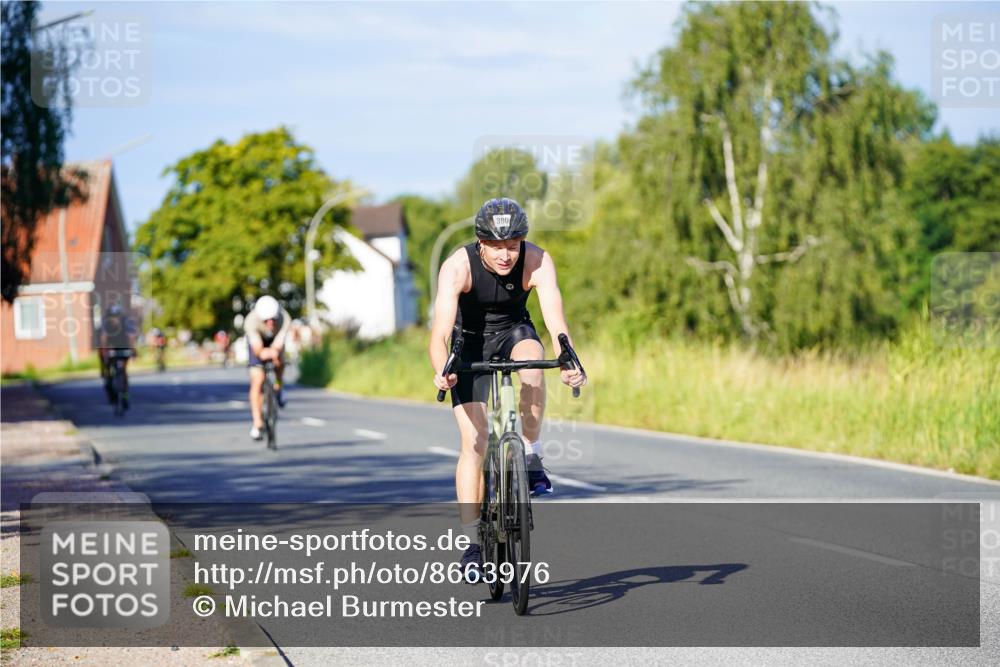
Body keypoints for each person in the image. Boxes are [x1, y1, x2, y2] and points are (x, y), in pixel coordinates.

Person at [428, 197, 586, 581]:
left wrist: (570, 360)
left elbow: (555, 318)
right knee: (475, 443)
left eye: (512, 246)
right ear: (480, 242)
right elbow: (439, 335)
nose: (505, 255)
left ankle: (530, 454)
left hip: (514, 332)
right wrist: (442, 370)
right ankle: (471, 545)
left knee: (534, 365)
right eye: (496, 247)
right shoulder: (456, 267)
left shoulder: (538, 261)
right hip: (469, 344)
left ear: (522, 242)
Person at [243, 295, 291, 440]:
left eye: (273, 319)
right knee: (257, 379)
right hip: (258, 340)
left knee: (279, 362)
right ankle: (257, 423)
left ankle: (279, 386)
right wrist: (263, 353)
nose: (270, 322)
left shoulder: (284, 319)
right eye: (267, 320)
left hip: (275, 340)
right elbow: (257, 348)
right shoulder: (251, 322)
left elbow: (278, 345)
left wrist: (275, 353)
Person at [99, 303, 135, 407]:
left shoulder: (125, 324)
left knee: (123, 371)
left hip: (123, 348)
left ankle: (125, 395)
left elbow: (130, 337)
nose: (115, 318)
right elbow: (104, 339)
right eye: (113, 316)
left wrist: (133, 351)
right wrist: (105, 352)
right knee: (109, 371)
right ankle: (110, 387)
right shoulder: (107, 325)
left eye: (117, 316)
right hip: (112, 349)